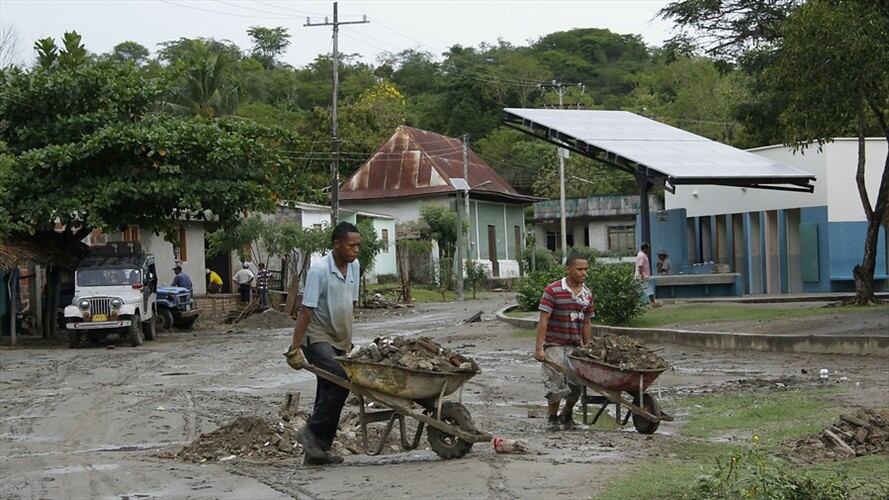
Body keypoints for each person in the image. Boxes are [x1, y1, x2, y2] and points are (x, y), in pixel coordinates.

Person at [283, 222, 361, 465]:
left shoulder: (354, 267)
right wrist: (295, 347)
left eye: (358, 245)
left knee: (327, 389)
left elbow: (350, 304)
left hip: (340, 338)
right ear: (336, 244)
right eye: (351, 245)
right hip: (316, 337)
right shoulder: (318, 271)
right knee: (341, 379)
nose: (355, 250)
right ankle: (312, 432)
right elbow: (305, 311)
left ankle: (316, 451)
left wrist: (348, 342)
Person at [533, 254, 595, 431]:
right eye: (580, 269)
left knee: (577, 384)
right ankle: (552, 418)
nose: (584, 273)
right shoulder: (553, 290)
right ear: (569, 269)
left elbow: (587, 323)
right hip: (554, 344)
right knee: (555, 381)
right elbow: (544, 320)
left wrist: (587, 348)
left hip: (575, 345)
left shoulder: (587, 295)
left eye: (586, 269)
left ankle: (566, 415)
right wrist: (539, 348)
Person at [635, 242, 659, 307]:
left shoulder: (641, 254)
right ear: (645, 248)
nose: (649, 250)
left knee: (641, 290)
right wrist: (642, 275)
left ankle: (652, 302)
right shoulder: (642, 255)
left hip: (641, 275)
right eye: (648, 248)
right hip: (642, 276)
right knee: (649, 289)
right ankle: (653, 302)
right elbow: (640, 266)